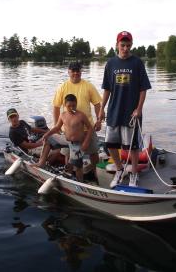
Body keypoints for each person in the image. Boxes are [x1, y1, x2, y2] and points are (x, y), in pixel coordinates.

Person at [98, 31, 152, 187]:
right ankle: (120, 169)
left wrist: (139, 108)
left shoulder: (137, 63)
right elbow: (107, 88)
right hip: (114, 110)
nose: (125, 48)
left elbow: (143, 88)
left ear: (131, 45)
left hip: (131, 113)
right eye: (123, 45)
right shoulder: (110, 64)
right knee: (111, 144)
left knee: (133, 146)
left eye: (128, 45)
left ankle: (134, 173)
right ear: (117, 45)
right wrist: (102, 108)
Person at [53, 62, 102, 169]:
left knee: (93, 152)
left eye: (78, 70)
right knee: (68, 153)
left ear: (81, 71)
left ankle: (95, 173)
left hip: (87, 128)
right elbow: (56, 107)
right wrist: (56, 126)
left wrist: (99, 121)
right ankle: (70, 173)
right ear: (68, 72)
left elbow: (97, 104)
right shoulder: (62, 87)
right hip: (68, 129)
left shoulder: (89, 86)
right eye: (73, 71)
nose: (76, 73)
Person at [43, 94, 94, 182]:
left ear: (76, 104)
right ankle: (42, 162)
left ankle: (80, 182)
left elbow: (90, 128)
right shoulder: (63, 115)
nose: (71, 108)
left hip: (77, 143)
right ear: (64, 105)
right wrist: (47, 134)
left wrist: (86, 142)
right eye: (69, 106)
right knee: (48, 140)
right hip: (67, 141)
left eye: (73, 105)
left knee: (77, 166)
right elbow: (57, 128)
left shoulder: (81, 115)